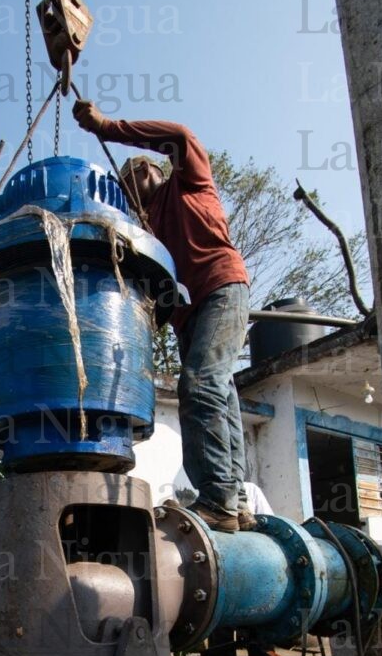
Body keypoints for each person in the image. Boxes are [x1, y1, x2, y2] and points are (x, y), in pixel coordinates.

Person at [73, 101, 252, 532]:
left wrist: (106, 127)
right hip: (188, 316)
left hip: (220, 288)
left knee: (200, 384)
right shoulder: (149, 231)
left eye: (131, 180)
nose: (129, 191)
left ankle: (218, 500)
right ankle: (236, 499)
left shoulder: (189, 184)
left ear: (150, 171)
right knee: (221, 394)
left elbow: (179, 135)